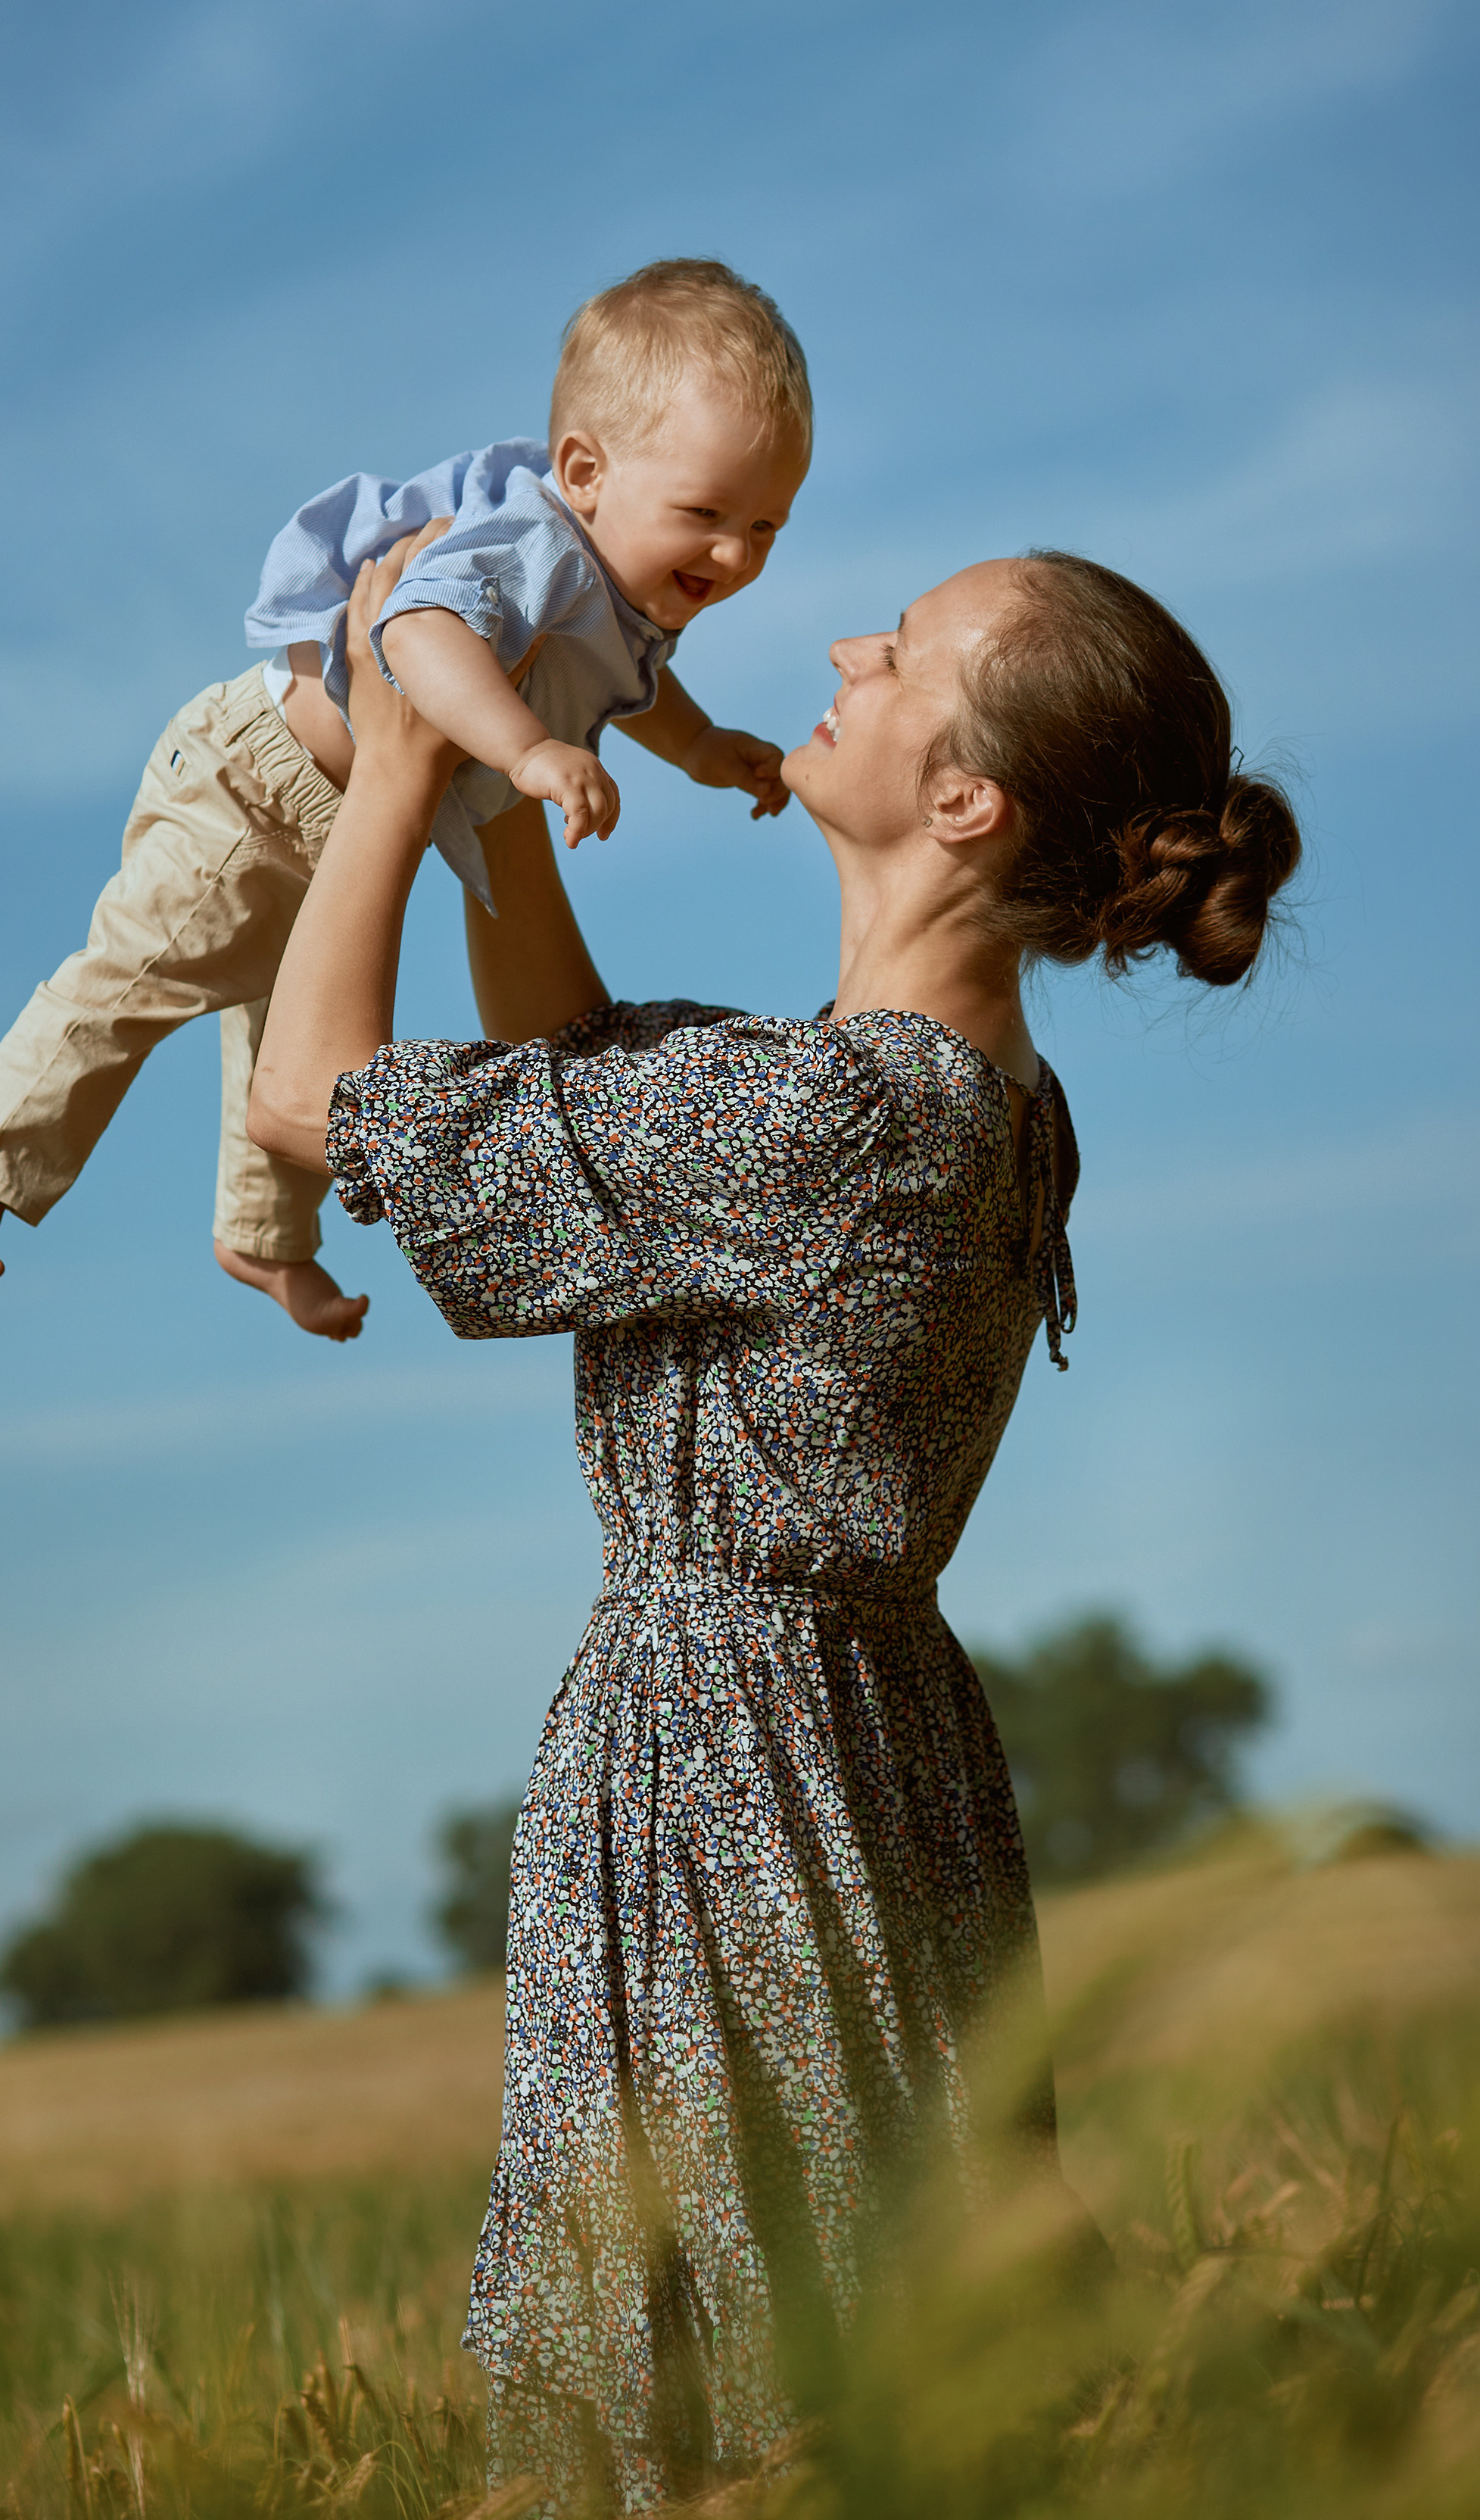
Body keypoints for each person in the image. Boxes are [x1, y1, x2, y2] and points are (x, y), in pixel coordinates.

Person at [246, 528, 1301, 2511]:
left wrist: (395, 767)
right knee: (864, 2335)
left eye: (895, 651)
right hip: (860, 1744)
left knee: (718, 2366)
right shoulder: (969, 1095)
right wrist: (504, 810)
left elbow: (317, 1106)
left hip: (717, 1758)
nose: (836, 643)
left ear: (961, 797)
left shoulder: (829, 1122)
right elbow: (590, 1086)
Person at [0, 259, 809, 1340]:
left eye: (767, 526)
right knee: (135, 978)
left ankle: (265, 1242)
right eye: (707, 513)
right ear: (583, 470)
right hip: (253, 785)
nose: (733, 553)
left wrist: (707, 748)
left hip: (333, 823)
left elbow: (638, 686)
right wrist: (526, 748)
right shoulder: (533, 545)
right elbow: (415, 632)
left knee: (280, 1031)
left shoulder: (620, 587)